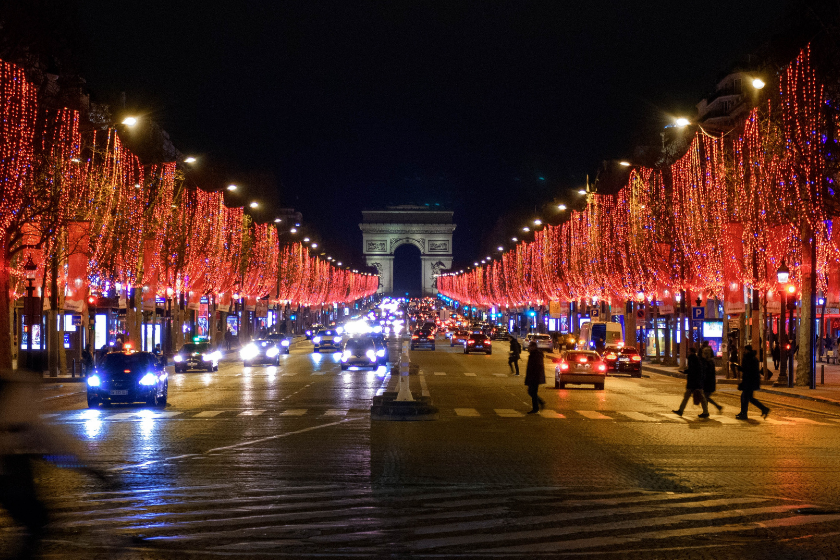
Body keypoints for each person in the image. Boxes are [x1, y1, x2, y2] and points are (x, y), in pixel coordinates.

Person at [672, 347, 709, 418]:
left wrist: (686, 372)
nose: (688, 352)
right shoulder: (696, 359)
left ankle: (681, 410)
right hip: (696, 382)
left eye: (689, 351)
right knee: (700, 397)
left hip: (694, 382)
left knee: (696, 397)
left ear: (691, 352)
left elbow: (693, 370)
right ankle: (705, 412)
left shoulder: (692, 359)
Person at [736, 344, 770, 420]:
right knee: (748, 397)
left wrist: (740, 368)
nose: (744, 351)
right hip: (752, 381)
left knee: (745, 397)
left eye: (745, 350)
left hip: (749, 381)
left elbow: (748, 370)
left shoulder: (748, 358)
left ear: (747, 350)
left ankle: (744, 414)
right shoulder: (753, 358)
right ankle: (762, 409)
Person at [524, 340, 546, 414]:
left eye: (530, 346)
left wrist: (535, 376)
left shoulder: (536, 355)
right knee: (532, 392)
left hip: (535, 377)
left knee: (532, 392)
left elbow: (538, 366)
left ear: (533, 347)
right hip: (533, 376)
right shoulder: (533, 354)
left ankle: (536, 407)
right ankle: (538, 404)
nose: (528, 348)